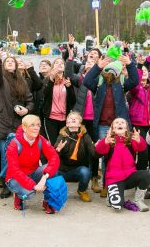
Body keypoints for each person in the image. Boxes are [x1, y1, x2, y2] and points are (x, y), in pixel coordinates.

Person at [83, 52, 139, 196]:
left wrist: (131, 64)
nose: (110, 71)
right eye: (106, 68)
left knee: (114, 155)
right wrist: (97, 67)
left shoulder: (120, 83)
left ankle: (110, 185)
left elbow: (135, 81)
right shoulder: (99, 83)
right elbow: (86, 81)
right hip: (102, 125)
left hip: (118, 126)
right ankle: (105, 185)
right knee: (104, 154)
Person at [0, 48, 35, 198]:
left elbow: (30, 101)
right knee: (5, 155)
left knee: (16, 155)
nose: (10, 63)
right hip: (3, 122)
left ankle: (14, 180)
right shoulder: (0, 79)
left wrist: (26, 110)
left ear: (16, 66)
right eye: (7, 61)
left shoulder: (22, 81)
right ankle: (6, 184)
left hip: (18, 124)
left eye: (12, 61)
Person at [5, 115, 61, 214]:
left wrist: (44, 177)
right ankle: (19, 196)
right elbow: (15, 170)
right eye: (32, 125)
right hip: (15, 177)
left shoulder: (40, 139)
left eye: (38, 125)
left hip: (33, 172)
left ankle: (48, 201)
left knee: (53, 170)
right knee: (30, 194)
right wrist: (34, 186)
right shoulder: (14, 144)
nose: (36, 128)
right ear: (24, 128)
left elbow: (54, 157)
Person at [95, 118, 150, 211]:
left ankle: (138, 200)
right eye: (116, 122)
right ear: (112, 128)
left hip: (130, 175)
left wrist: (139, 140)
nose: (119, 123)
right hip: (114, 178)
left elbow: (141, 148)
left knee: (145, 174)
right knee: (117, 206)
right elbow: (98, 152)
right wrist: (104, 142)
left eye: (122, 122)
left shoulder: (131, 139)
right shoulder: (109, 140)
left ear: (126, 128)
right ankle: (111, 195)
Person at [66, 46, 101, 192]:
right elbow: (68, 73)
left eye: (93, 63)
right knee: (80, 148)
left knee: (94, 150)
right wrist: (69, 57)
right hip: (81, 119)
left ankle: (94, 178)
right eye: (88, 62)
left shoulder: (100, 79)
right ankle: (83, 177)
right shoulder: (80, 79)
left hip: (94, 120)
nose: (90, 63)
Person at [127, 64, 150, 171]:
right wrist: (138, 68)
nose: (143, 71)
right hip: (138, 124)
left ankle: (147, 175)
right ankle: (141, 175)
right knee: (143, 151)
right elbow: (134, 87)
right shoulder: (136, 87)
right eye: (141, 70)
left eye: (145, 70)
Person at [54, 111, 97, 202]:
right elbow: (53, 156)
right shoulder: (62, 135)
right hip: (62, 169)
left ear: (80, 123)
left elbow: (94, 154)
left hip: (78, 170)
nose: (73, 119)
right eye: (70, 118)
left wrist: (100, 147)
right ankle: (57, 192)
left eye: (76, 118)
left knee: (86, 172)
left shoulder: (85, 136)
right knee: (52, 172)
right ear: (67, 123)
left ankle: (82, 190)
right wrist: (57, 150)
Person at [42, 58, 77, 143]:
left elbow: (73, 101)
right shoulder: (48, 79)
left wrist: (69, 88)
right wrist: (51, 80)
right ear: (53, 67)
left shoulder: (68, 80)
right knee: (53, 144)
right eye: (56, 63)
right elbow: (44, 94)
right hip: (50, 118)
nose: (59, 64)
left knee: (64, 144)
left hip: (64, 119)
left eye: (62, 63)